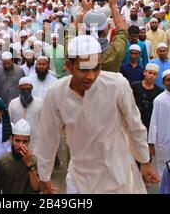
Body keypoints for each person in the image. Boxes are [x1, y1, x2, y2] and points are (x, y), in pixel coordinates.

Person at [36, 35, 158, 194]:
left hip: (117, 174)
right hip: (80, 177)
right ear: (68, 66)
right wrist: (44, 176)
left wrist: (144, 161)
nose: (91, 76)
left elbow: (135, 125)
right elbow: (48, 136)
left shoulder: (117, 84)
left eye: (96, 68)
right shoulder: (56, 93)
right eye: (84, 69)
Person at [0, 119, 41, 194]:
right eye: (17, 141)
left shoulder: (34, 161)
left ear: (29, 141)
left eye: (25, 142)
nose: (21, 145)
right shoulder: (1, 162)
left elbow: (36, 188)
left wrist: (29, 165)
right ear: (11, 139)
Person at [8, 77, 43, 153]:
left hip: (35, 144)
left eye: (28, 89)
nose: (26, 91)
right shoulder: (13, 103)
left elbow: (43, 125)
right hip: (17, 145)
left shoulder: (40, 103)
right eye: (23, 89)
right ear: (19, 88)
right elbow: (9, 124)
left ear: (32, 88)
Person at [131, 63, 164, 132]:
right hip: (134, 122)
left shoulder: (160, 91)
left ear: (157, 76)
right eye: (150, 73)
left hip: (150, 124)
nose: (151, 76)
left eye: (154, 74)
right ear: (144, 72)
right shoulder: (134, 86)